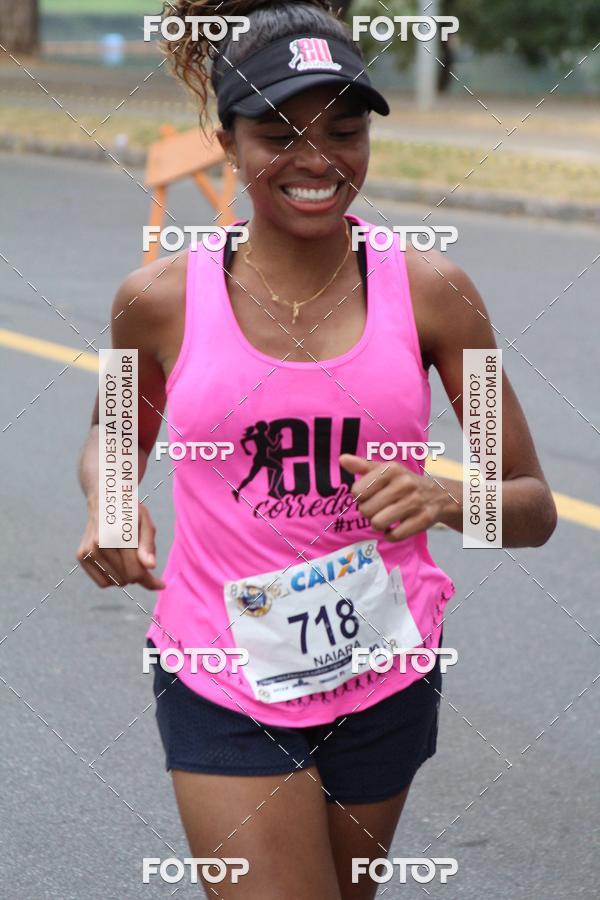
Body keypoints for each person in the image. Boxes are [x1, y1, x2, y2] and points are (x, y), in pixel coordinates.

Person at [76, 1, 557, 896]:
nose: (317, 161)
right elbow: (114, 435)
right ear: (229, 143)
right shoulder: (158, 300)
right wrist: (111, 507)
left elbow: (531, 506)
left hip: (384, 671)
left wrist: (449, 500)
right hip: (221, 672)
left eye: (343, 131)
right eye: (279, 135)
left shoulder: (438, 293)